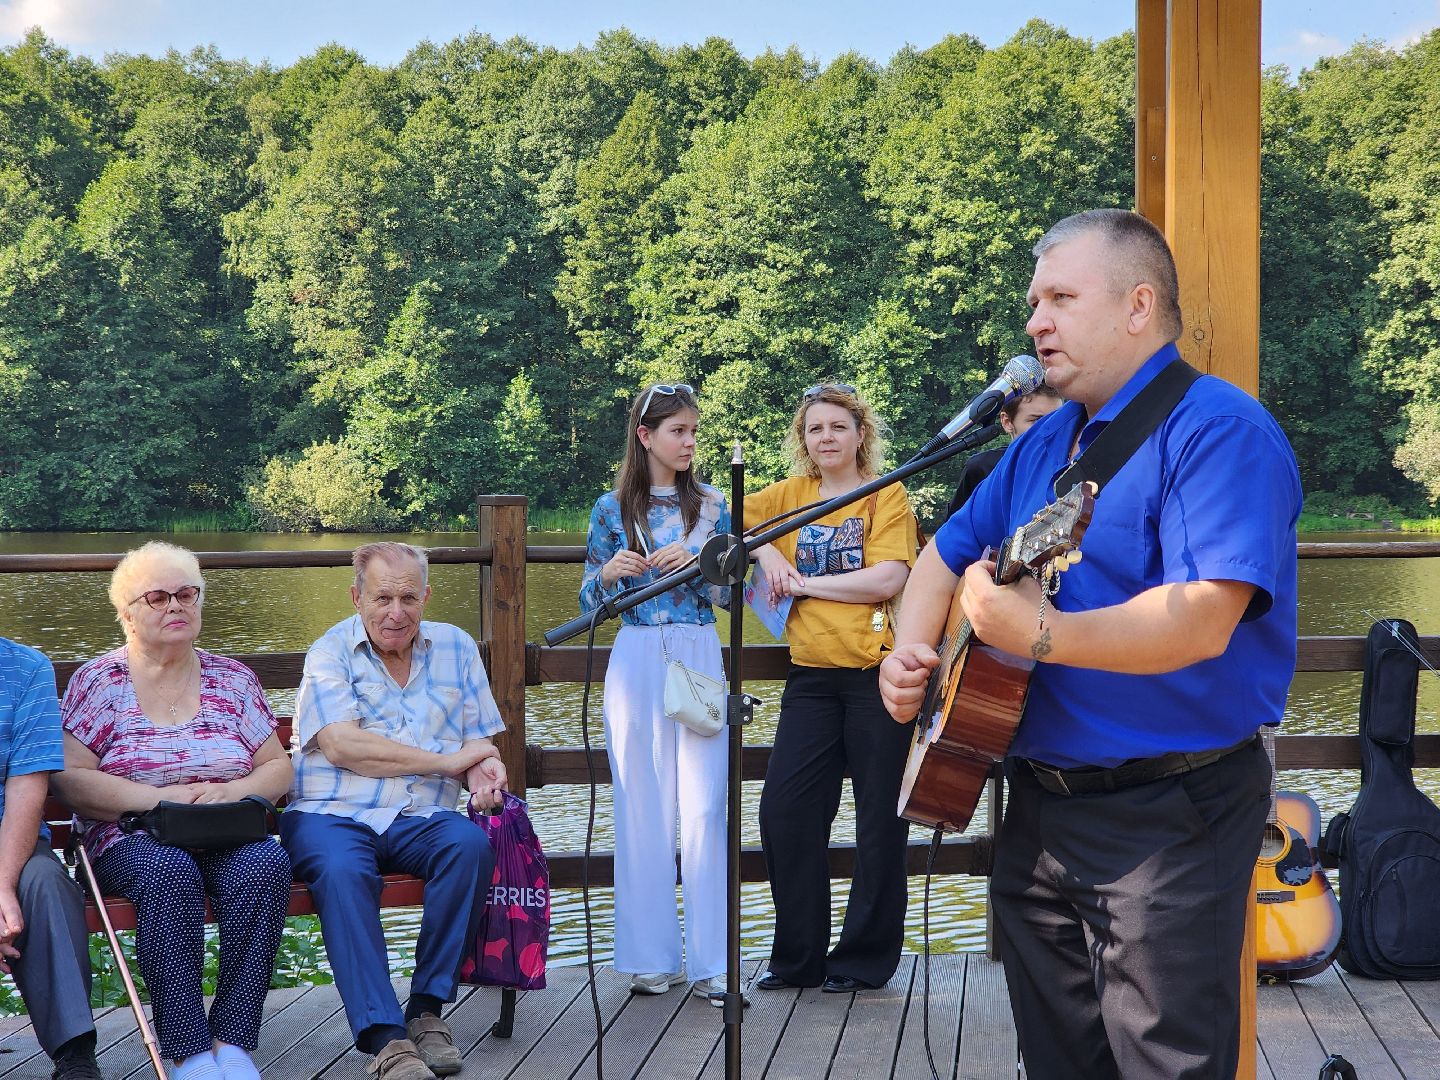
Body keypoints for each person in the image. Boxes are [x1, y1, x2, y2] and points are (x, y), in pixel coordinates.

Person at [879, 208, 1301, 1079]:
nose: (1035, 322)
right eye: (1035, 301)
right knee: (1060, 1062)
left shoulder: (1219, 431)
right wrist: (910, 655)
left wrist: (1041, 632)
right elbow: (939, 557)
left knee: (1163, 1061)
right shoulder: (1041, 443)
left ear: (1138, 305)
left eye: (1061, 298)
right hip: (1036, 810)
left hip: (1171, 814)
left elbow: (1201, 616)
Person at [55, 542, 294, 1080]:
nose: (176, 606)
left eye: (187, 594)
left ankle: (232, 1044)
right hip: (131, 836)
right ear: (127, 613)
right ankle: (187, 1051)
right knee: (170, 873)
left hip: (223, 826)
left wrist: (233, 790)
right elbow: (69, 778)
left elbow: (278, 768)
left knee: (266, 867)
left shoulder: (233, 679)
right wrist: (160, 801)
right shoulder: (101, 682)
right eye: (158, 597)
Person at [280, 542, 506, 1080]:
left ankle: (426, 1011)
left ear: (426, 595)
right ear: (357, 596)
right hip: (330, 811)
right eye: (382, 597)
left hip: (416, 815)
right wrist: (450, 762)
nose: (396, 612)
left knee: (469, 845)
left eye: (408, 597)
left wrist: (480, 774)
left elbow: (480, 741)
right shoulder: (329, 652)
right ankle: (386, 1039)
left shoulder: (455, 647)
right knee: (341, 870)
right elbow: (342, 747)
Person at [746, 383, 918, 993]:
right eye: (815, 429)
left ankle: (863, 962)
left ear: (859, 434)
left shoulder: (886, 495)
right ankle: (798, 960)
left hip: (877, 679)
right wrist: (768, 557)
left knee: (879, 821)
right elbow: (727, 512)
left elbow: (889, 576)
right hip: (811, 681)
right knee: (785, 813)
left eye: (838, 427)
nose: (826, 438)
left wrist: (806, 586)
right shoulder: (790, 496)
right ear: (804, 440)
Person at [579, 381, 735, 1004]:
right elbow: (591, 602)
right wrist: (609, 577)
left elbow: (727, 596)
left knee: (703, 806)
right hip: (637, 655)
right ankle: (648, 958)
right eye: (678, 432)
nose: (690, 442)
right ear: (646, 438)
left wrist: (700, 567)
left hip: (696, 648)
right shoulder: (608, 509)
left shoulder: (715, 507)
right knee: (640, 802)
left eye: (694, 431)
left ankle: (713, 962)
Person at [0, 637, 103, 1080]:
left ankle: (75, 1055)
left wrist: (3, 887)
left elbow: (26, 787)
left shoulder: (25, 668)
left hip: (11, 843)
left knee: (45, 884)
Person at [943, 385, 1063, 519]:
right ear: (1007, 422)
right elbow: (953, 532)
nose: (1051, 428)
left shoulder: (1072, 466)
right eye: (1037, 420)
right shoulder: (981, 469)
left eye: (1058, 419)